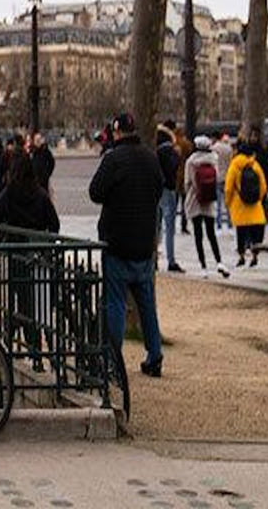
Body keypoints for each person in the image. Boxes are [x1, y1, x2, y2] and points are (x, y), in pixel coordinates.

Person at [89, 112, 165, 378]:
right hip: (144, 243)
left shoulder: (113, 159)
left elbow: (95, 192)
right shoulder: (150, 157)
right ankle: (155, 356)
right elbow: (159, 189)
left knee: (116, 305)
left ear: (117, 133)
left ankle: (113, 360)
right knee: (147, 306)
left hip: (118, 241)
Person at [0, 150, 59, 365]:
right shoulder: (40, 194)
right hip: (36, 255)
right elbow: (54, 224)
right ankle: (35, 348)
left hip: (16, 254)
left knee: (20, 301)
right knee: (37, 304)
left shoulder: (10, 192)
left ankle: (20, 342)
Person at [184, 136, 229, 278]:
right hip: (209, 201)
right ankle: (219, 261)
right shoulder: (213, 158)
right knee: (211, 234)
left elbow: (187, 182)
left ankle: (204, 267)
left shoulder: (191, 161)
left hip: (195, 200)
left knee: (198, 235)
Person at [225, 138, 267, 266]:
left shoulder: (234, 165)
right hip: (255, 206)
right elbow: (263, 186)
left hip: (239, 205)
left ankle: (241, 256)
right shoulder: (255, 165)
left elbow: (228, 187)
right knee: (255, 232)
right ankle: (255, 255)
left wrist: (228, 202)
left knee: (241, 232)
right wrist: (258, 198)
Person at [156, 125, 184, 273]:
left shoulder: (155, 150)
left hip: (158, 190)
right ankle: (171, 260)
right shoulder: (168, 150)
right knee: (169, 227)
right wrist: (177, 155)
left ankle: (154, 258)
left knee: (157, 225)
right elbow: (172, 167)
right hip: (169, 188)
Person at [173, 125, 193, 234]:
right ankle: (184, 225)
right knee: (185, 202)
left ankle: (171, 223)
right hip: (184, 174)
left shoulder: (174, 143)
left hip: (175, 175)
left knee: (174, 203)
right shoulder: (186, 143)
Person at [212, 132, 233, 231]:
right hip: (227, 176)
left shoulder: (214, 148)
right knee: (228, 201)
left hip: (217, 176)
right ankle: (230, 222)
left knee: (218, 203)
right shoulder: (229, 149)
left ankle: (219, 223)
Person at [30, 132, 55, 198]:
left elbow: (51, 162)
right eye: (36, 140)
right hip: (34, 180)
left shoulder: (45, 151)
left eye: (39, 140)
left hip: (43, 180)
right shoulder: (32, 151)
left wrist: (47, 173)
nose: (38, 142)